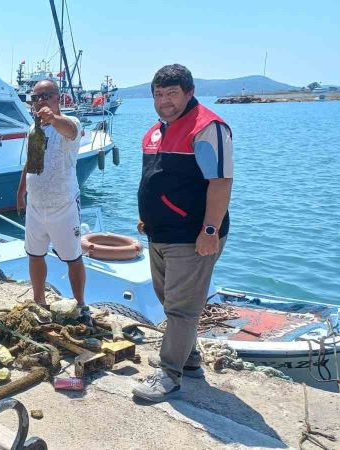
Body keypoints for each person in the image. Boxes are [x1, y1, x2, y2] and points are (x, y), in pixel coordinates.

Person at [132, 64, 233, 402]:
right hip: (159, 233)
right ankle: (188, 359)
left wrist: (209, 230)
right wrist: (146, 216)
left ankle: (169, 375)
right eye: (159, 95)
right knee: (168, 299)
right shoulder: (155, 132)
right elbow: (156, 179)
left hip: (191, 235)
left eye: (172, 93)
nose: (165, 101)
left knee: (181, 308)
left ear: (189, 93)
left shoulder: (207, 128)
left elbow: (220, 182)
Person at [16, 79, 85, 308]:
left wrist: (53, 118)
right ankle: (39, 300)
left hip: (63, 205)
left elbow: (72, 131)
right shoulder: (32, 129)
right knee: (35, 255)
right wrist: (20, 191)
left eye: (45, 95)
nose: (40, 101)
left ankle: (80, 304)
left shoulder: (69, 123)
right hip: (36, 206)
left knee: (73, 258)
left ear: (58, 97)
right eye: (35, 97)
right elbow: (30, 160)